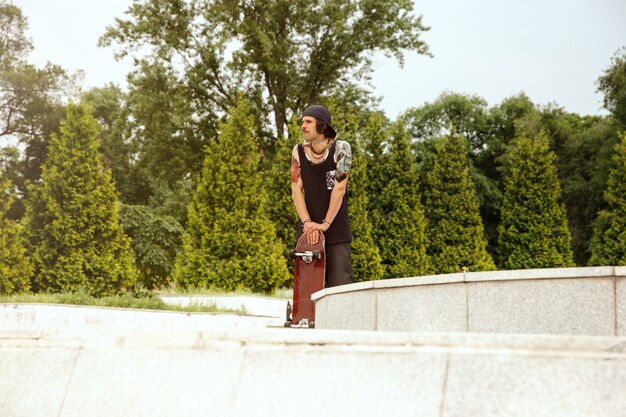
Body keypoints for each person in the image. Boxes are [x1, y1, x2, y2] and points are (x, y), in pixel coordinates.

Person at [291, 104, 353, 287]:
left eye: (308, 122)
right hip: (308, 231)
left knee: (339, 286)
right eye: (303, 122)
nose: (303, 126)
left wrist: (325, 224)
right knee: (307, 286)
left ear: (322, 125)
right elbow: (296, 189)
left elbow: (339, 189)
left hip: (335, 230)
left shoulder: (341, 149)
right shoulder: (299, 151)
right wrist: (308, 223)